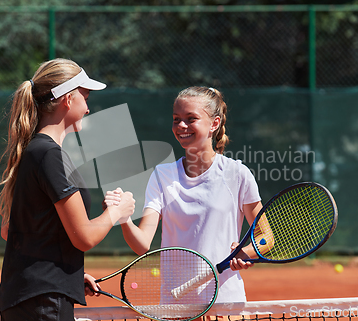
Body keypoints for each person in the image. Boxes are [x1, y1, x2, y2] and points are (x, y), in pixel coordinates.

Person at [0, 58, 135, 321]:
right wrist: (117, 211)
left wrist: (66, 274)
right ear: (68, 100)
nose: (88, 108)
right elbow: (83, 237)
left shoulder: (33, 151)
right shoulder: (50, 155)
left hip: (28, 298)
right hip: (44, 303)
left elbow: (13, 231)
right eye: (86, 97)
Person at [106, 86, 272, 303]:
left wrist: (246, 252)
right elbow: (142, 245)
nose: (181, 126)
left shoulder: (237, 174)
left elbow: (266, 237)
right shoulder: (162, 176)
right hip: (175, 306)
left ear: (215, 123)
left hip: (226, 305)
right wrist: (123, 218)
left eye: (191, 118)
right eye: (176, 119)